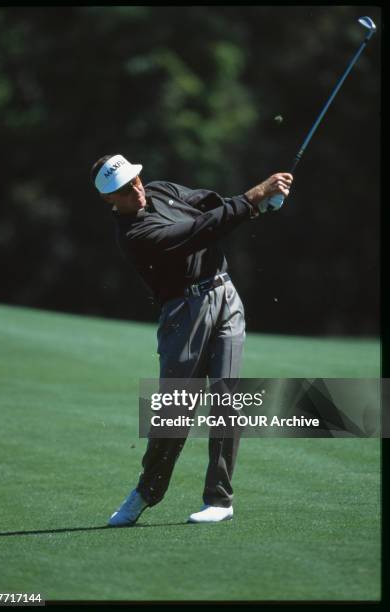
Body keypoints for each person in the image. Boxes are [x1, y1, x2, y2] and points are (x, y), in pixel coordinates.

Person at [90, 153, 293, 526]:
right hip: (184, 313)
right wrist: (254, 197)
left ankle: (219, 499)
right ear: (109, 199)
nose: (135, 189)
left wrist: (259, 206)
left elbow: (207, 203)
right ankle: (146, 492)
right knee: (175, 410)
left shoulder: (160, 190)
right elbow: (201, 229)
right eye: (123, 189)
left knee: (226, 397)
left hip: (225, 294)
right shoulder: (135, 236)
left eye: (134, 180)